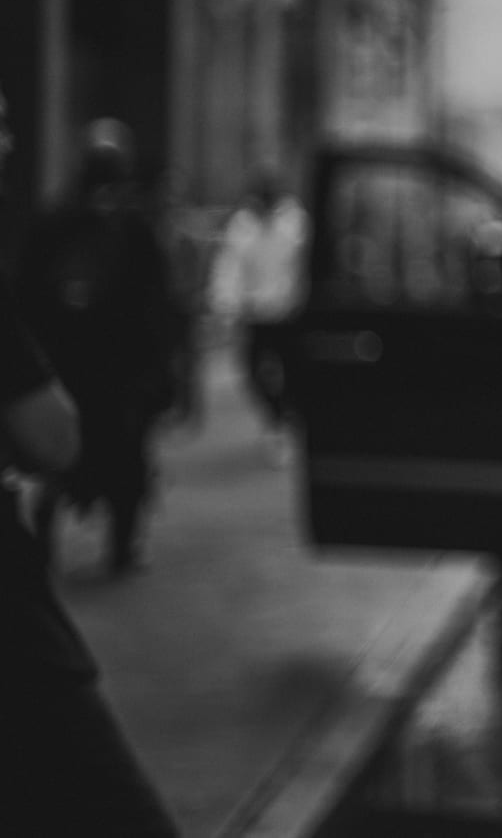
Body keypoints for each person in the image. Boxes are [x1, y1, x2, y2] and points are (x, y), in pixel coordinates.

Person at [0, 89, 178, 833]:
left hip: (99, 383)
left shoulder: (75, 224)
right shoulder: (104, 226)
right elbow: (50, 436)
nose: (8, 142)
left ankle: (109, 535)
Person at [17, 122, 181, 576]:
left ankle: (49, 543)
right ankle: (121, 546)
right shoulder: (133, 225)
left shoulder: (55, 219)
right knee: (121, 463)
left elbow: (27, 297)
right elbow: (158, 307)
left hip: (72, 366)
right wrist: (164, 373)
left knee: (59, 462)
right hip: (116, 373)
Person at [206, 168, 308, 460]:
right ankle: (275, 417)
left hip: (289, 312)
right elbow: (229, 266)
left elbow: (303, 266)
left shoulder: (296, 223)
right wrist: (225, 303)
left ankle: (288, 421)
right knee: (253, 373)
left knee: (293, 372)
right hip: (255, 314)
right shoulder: (243, 225)